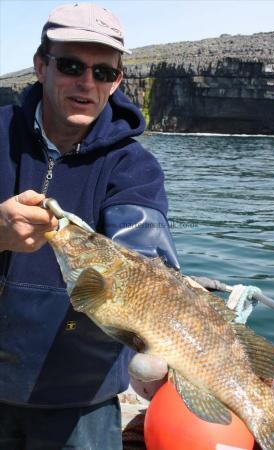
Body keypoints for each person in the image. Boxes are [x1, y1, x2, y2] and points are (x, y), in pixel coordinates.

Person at [0, 3, 179, 449]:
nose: (87, 82)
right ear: (41, 66)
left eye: (103, 72)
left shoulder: (135, 167)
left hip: (82, 397)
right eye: (72, 65)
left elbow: (144, 253)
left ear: (117, 81)